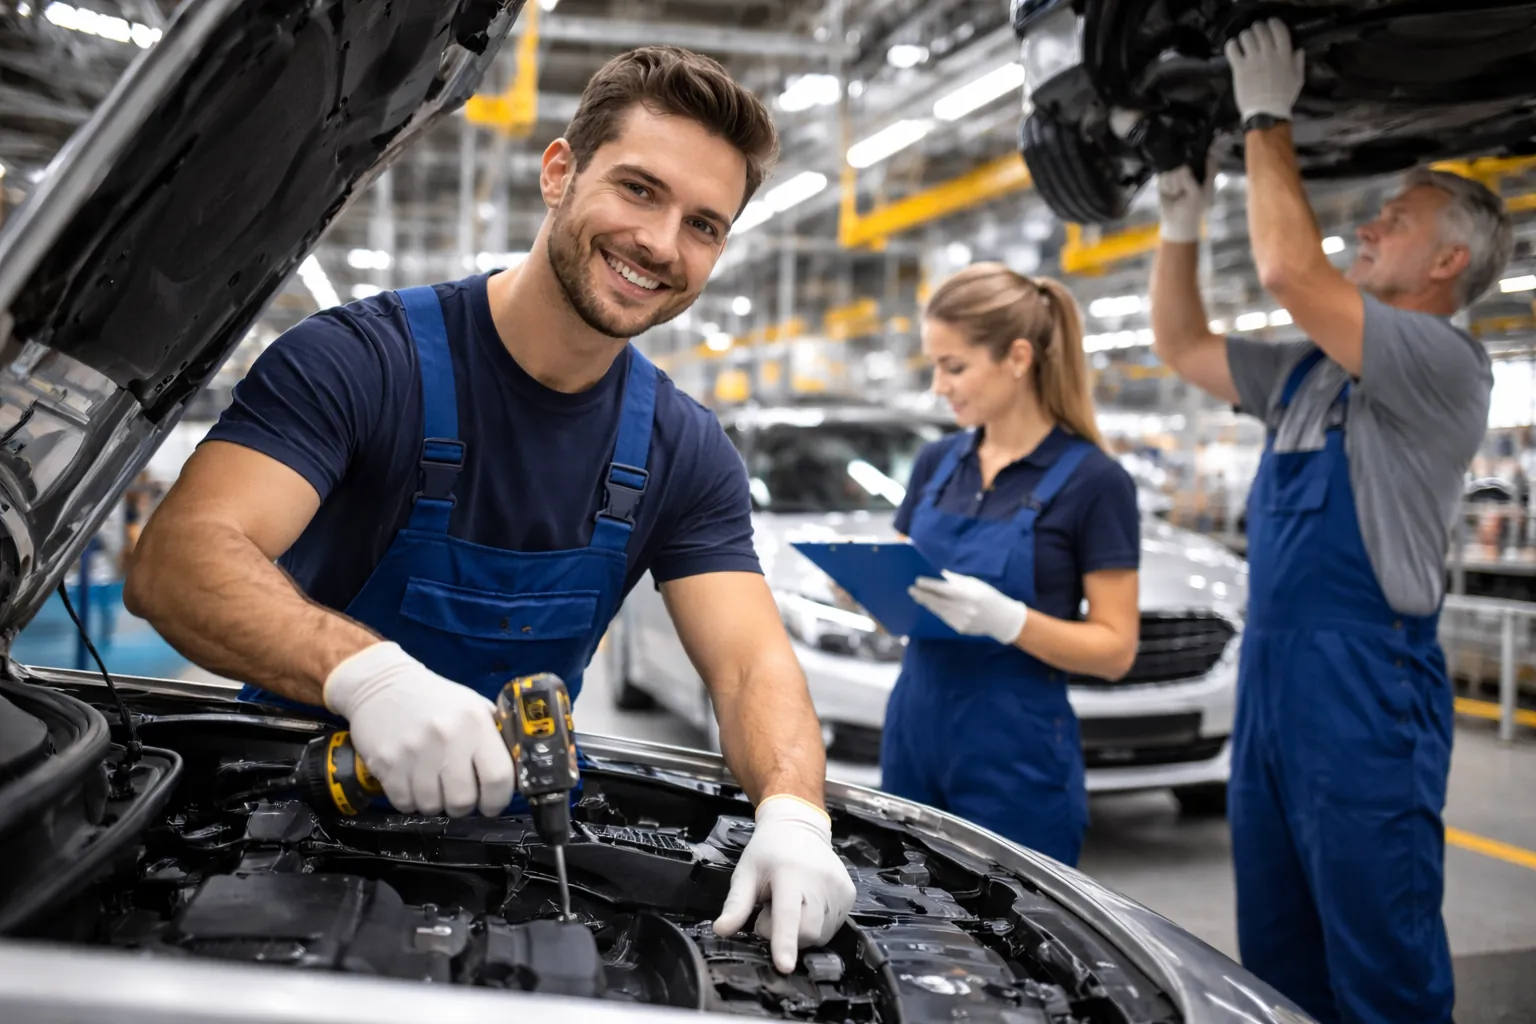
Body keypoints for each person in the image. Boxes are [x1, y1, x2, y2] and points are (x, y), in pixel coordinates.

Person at [123, 45, 855, 975]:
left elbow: (752, 666)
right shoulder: (360, 363)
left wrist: (795, 813)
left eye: (703, 224)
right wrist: (370, 678)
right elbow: (177, 560)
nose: (663, 244)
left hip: (522, 852)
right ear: (559, 172)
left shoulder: (684, 448)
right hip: (292, 823)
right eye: (638, 189)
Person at [1148, 20, 1513, 1024]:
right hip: (1275, 686)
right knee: (1277, 950)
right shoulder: (1310, 369)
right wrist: (1181, 221)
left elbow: (1288, 272)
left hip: (1366, 693)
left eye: (1393, 217)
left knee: (1380, 954)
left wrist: (1269, 116)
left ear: (1446, 259)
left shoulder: (1443, 363)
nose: (1369, 225)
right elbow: (1181, 343)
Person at [881, 263, 1142, 867]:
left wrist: (1008, 622)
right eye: (934, 367)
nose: (939, 387)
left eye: (954, 367)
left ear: (1018, 358)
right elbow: (899, 569)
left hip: (1014, 756)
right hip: (913, 731)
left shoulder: (1096, 483)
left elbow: (1115, 648)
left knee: (1010, 943)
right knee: (897, 921)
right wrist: (867, 589)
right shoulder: (937, 462)